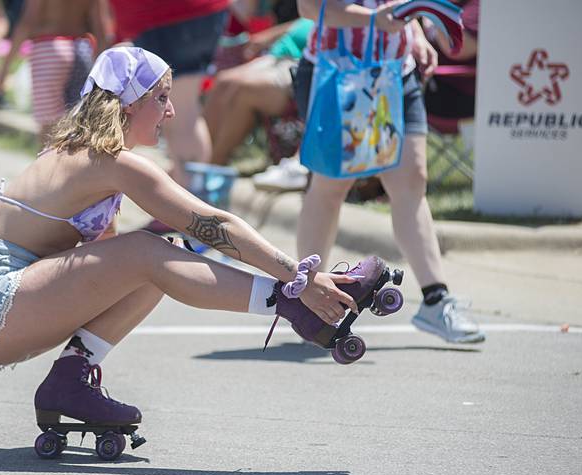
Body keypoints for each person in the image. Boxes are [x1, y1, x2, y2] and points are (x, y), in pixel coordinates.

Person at [0, 46, 388, 427]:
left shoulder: (89, 159)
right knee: (149, 251)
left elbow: (109, 266)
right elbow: (214, 225)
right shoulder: (109, 162)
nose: (171, 110)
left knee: (153, 261)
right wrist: (299, 277)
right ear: (126, 104)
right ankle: (293, 303)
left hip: (0, 303)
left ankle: (70, 381)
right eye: (161, 98)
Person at [293, 0, 484, 343]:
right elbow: (308, 8)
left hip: (396, 71)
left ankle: (435, 299)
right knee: (331, 188)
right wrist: (373, 21)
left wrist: (413, 34)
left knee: (411, 182)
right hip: (337, 71)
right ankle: (310, 299)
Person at [108, 0, 230, 233]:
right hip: (191, 14)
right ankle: (190, 207)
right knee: (187, 109)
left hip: (170, 16)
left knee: (181, 113)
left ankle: (187, 213)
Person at [203, 17, 312, 166]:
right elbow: (305, 19)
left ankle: (214, 162)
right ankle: (200, 156)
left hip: (300, 63)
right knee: (223, 80)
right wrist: (269, 36)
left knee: (245, 89)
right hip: (278, 54)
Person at [0, 0, 108, 142]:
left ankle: (46, 163)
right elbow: (101, 28)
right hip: (81, 49)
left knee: (48, 128)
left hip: (48, 49)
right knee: (76, 122)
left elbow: (27, 21)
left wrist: (5, 68)